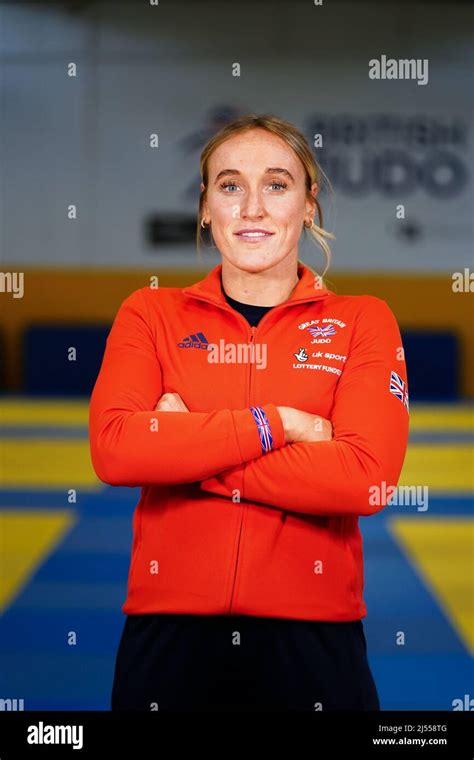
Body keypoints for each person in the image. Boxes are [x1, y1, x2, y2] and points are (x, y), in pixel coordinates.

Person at [88, 113, 410, 712]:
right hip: (168, 635)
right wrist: (279, 426)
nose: (253, 207)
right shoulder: (151, 314)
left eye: (279, 184)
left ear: (309, 205)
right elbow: (115, 449)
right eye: (231, 185)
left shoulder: (364, 320)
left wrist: (184, 449)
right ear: (206, 207)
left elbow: (366, 478)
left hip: (315, 638)